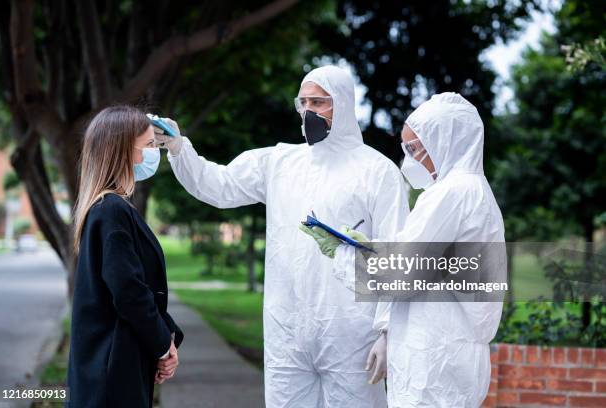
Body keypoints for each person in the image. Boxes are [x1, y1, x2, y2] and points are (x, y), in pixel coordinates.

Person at [155, 65, 409, 407]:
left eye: (318, 103)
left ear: (344, 105)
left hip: (351, 336)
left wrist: (387, 332)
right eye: (302, 103)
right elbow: (218, 185)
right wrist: (178, 147)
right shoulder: (279, 162)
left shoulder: (377, 172)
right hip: (287, 331)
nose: (308, 112)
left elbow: (396, 254)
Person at [303, 92, 505, 407]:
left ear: (444, 142)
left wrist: (344, 255)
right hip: (449, 354)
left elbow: (399, 277)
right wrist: (375, 251)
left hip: (433, 359)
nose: (407, 159)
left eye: (413, 148)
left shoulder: (450, 194)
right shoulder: (474, 191)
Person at [67, 106, 184, 408]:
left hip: (114, 362)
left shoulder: (111, 208)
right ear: (121, 151)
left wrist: (167, 337)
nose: (152, 153)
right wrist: (162, 346)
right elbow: (129, 291)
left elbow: (138, 286)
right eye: (147, 145)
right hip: (112, 367)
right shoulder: (111, 210)